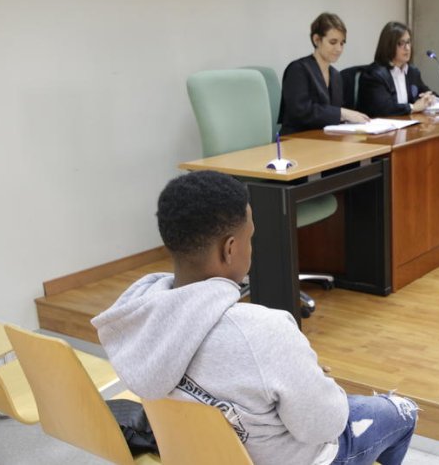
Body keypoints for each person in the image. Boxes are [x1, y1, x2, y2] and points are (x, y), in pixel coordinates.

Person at [91, 170, 418, 465]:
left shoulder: (138, 315)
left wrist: (295, 369)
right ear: (230, 249)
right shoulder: (263, 330)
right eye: (251, 237)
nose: (252, 247)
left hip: (195, 454)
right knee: (399, 412)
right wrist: (306, 373)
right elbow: (325, 426)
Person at [278, 12, 369, 135]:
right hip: (297, 139)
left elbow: (334, 115)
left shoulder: (336, 75)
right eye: (333, 42)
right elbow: (301, 111)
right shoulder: (298, 69)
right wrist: (342, 113)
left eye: (342, 43)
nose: (339, 49)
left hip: (325, 139)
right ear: (316, 40)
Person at [357, 21, 439, 118]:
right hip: (382, 126)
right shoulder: (374, 74)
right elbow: (384, 109)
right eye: (401, 43)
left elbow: (426, 92)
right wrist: (413, 107)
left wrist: (431, 98)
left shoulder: (412, 72)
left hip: (408, 124)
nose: (407, 48)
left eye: (408, 42)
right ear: (388, 45)